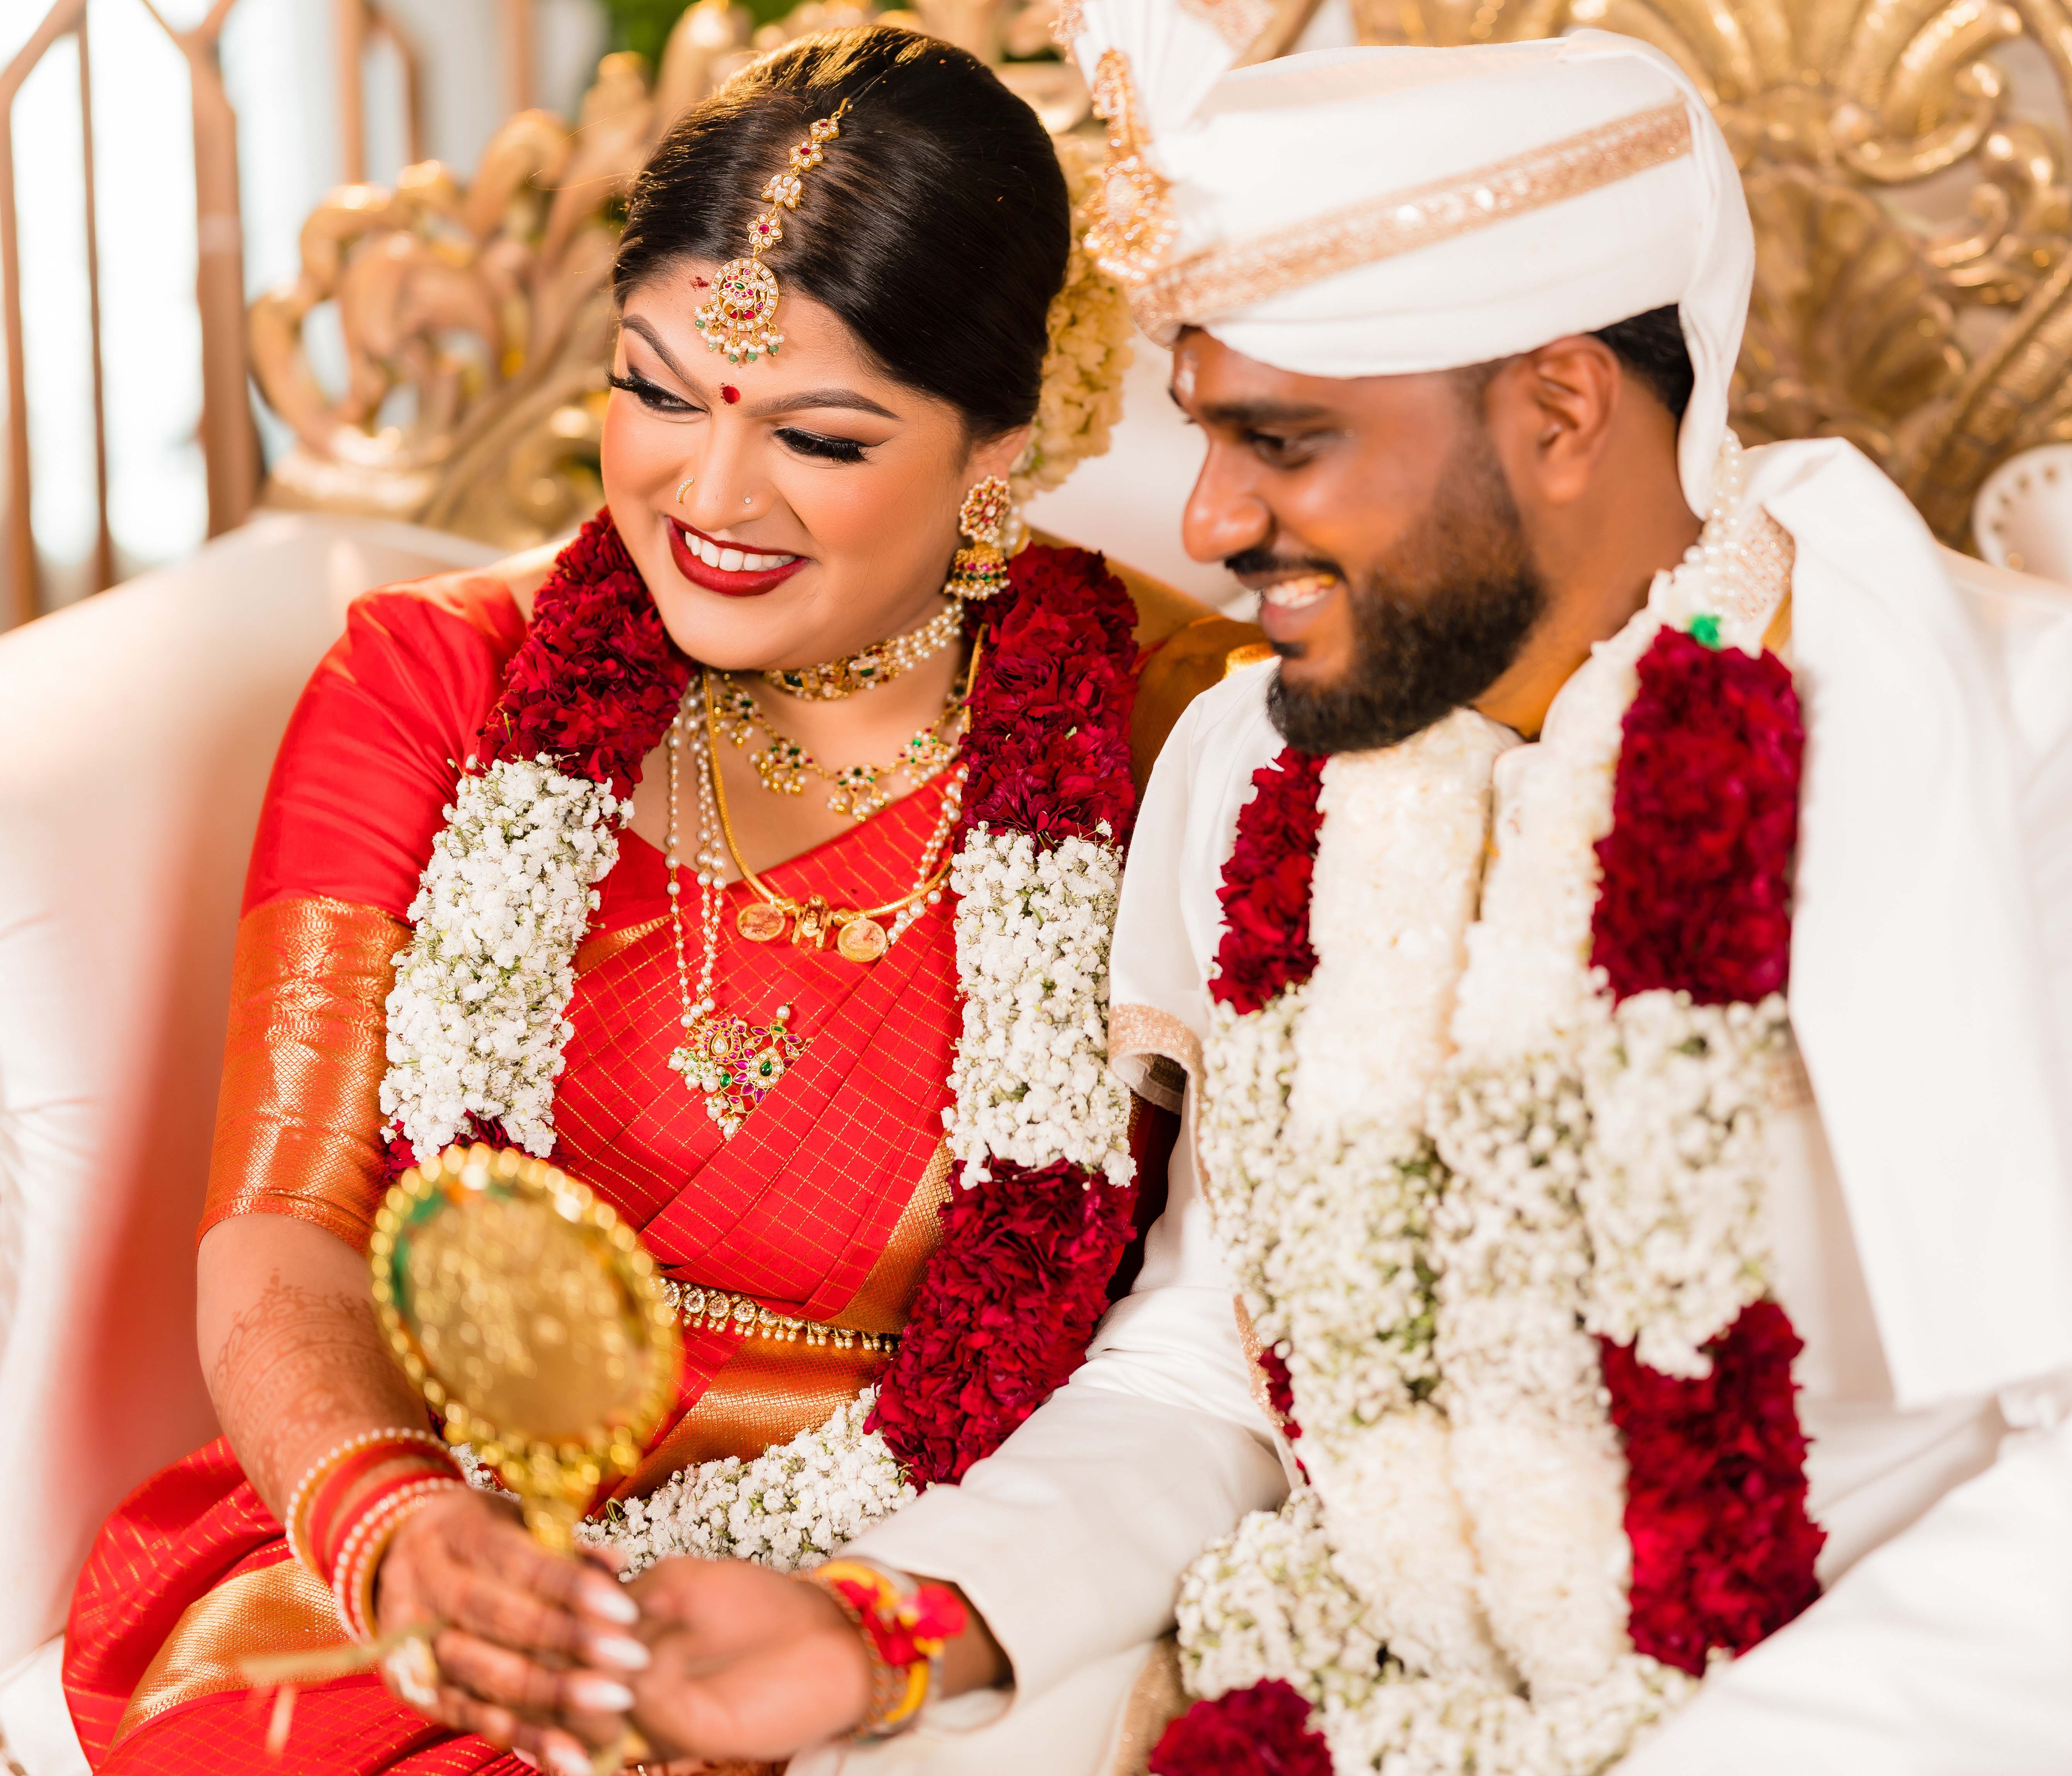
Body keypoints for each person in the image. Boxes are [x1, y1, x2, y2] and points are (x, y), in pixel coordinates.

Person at [566, 7, 2072, 1774]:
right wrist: (892, 1624)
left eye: (1283, 442)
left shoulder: (2055, 745)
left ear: (1561, 410)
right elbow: (1214, 1370)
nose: (1205, 524)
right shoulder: (1258, 767)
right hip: (1404, 1676)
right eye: (1205, 432)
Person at [58, 26, 1281, 1776]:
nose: (708, 499)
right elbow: (286, 1224)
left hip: (913, 1575)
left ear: (999, 450)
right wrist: (402, 1531)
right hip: (438, 1543)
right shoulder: (439, 686)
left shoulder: (1173, 738)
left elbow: (1212, 1340)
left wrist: (877, 1623)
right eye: (657, 391)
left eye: (820, 436)